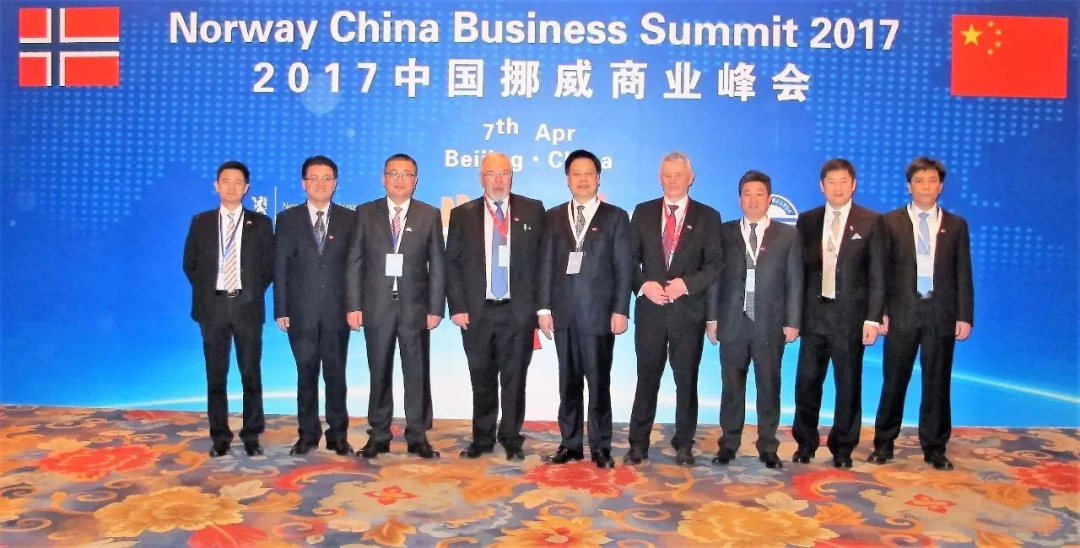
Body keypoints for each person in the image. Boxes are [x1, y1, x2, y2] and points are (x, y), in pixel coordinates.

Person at [870, 157, 974, 471]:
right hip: (902, 312)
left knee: (937, 383)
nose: (926, 186)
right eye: (919, 180)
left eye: (932, 180)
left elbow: (963, 272)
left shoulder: (956, 225)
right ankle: (883, 444)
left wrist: (964, 315)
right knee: (894, 381)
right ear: (909, 186)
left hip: (940, 313)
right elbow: (880, 272)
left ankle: (935, 448)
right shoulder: (890, 222)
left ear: (940, 186)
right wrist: (880, 312)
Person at [445, 152, 547, 462]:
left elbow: (543, 262)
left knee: (514, 381)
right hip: (477, 312)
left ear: (512, 177)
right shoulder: (463, 214)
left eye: (504, 173)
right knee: (482, 379)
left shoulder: (532, 210)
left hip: (518, 311)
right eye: (491, 174)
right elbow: (452, 264)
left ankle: (512, 439)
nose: (498, 180)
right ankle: (483, 438)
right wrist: (457, 306)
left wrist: (540, 308)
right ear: (481, 178)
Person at [625, 152, 723, 467]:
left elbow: (715, 264)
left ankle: (684, 444)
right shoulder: (643, 212)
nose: (672, 181)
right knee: (646, 379)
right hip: (651, 312)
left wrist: (687, 284)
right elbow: (628, 260)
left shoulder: (708, 216)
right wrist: (643, 285)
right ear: (659, 178)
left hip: (688, 312)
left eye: (679, 175)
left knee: (686, 381)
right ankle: (637, 444)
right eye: (667, 175)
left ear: (690, 178)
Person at [345, 153, 445, 459]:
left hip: (415, 307)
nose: (400, 180)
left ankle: (418, 435)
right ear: (383, 178)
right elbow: (354, 261)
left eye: (407, 174)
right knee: (379, 371)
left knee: (417, 372)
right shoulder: (365, 213)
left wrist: (435, 307)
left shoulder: (429, 214)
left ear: (416, 181)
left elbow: (437, 264)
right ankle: (378, 435)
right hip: (376, 306)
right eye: (394, 174)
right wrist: (353, 304)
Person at [537, 149, 632, 469]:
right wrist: (543, 309)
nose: (582, 179)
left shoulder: (615, 217)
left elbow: (623, 267)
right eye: (576, 174)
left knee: (599, 382)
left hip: (599, 315)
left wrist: (621, 309)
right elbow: (545, 264)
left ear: (598, 178)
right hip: (563, 313)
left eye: (588, 173)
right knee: (568, 382)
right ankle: (570, 444)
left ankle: (601, 446)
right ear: (567, 179)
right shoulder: (552, 217)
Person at [791, 158, 885, 468]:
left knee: (848, 386)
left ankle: (843, 447)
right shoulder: (807, 221)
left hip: (851, 319)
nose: (838, 188)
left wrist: (873, 318)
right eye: (831, 182)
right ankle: (805, 443)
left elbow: (877, 274)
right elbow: (798, 273)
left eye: (844, 181)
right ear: (822, 186)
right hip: (814, 317)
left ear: (853, 185)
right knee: (807, 383)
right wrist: (793, 317)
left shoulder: (871, 221)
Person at [706, 170, 802, 469]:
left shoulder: (787, 235)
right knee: (731, 387)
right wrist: (712, 317)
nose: (753, 199)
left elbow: (795, 279)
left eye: (759, 194)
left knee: (769, 385)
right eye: (747, 194)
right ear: (739, 199)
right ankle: (728, 444)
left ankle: (768, 446)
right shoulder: (724, 232)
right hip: (732, 321)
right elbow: (714, 278)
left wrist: (793, 320)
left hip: (770, 323)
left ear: (769, 199)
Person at [183, 160, 274, 457]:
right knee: (216, 376)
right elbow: (190, 264)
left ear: (246, 188)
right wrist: (211, 292)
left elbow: (268, 266)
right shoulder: (201, 222)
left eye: (238, 182)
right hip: (213, 308)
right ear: (216, 185)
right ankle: (219, 436)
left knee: (251, 374)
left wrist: (249, 292)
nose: (231, 187)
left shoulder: (261, 224)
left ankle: (251, 435)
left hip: (247, 307)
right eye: (226, 181)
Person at [274, 155, 356, 456]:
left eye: (326, 178)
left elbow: (355, 267)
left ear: (335, 183)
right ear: (303, 183)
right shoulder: (288, 219)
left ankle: (338, 435)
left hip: (337, 311)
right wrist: (281, 309)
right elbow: (280, 266)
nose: (320, 184)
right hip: (301, 312)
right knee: (306, 375)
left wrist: (354, 306)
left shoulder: (350, 219)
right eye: (314, 178)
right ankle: (307, 434)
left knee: (336, 375)